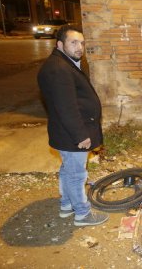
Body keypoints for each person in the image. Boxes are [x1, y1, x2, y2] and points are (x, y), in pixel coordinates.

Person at [37, 24, 109, 226]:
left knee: (68, 170)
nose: (79, 47)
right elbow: (66, 107)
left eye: (82, 43)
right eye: (73, 42)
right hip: (72, 134)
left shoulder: (62, 63)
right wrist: (81, 135)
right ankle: (82, 214)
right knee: (77, 175)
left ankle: (67, 204)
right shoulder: (59, 69)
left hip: (65, 133)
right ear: (60, 44)